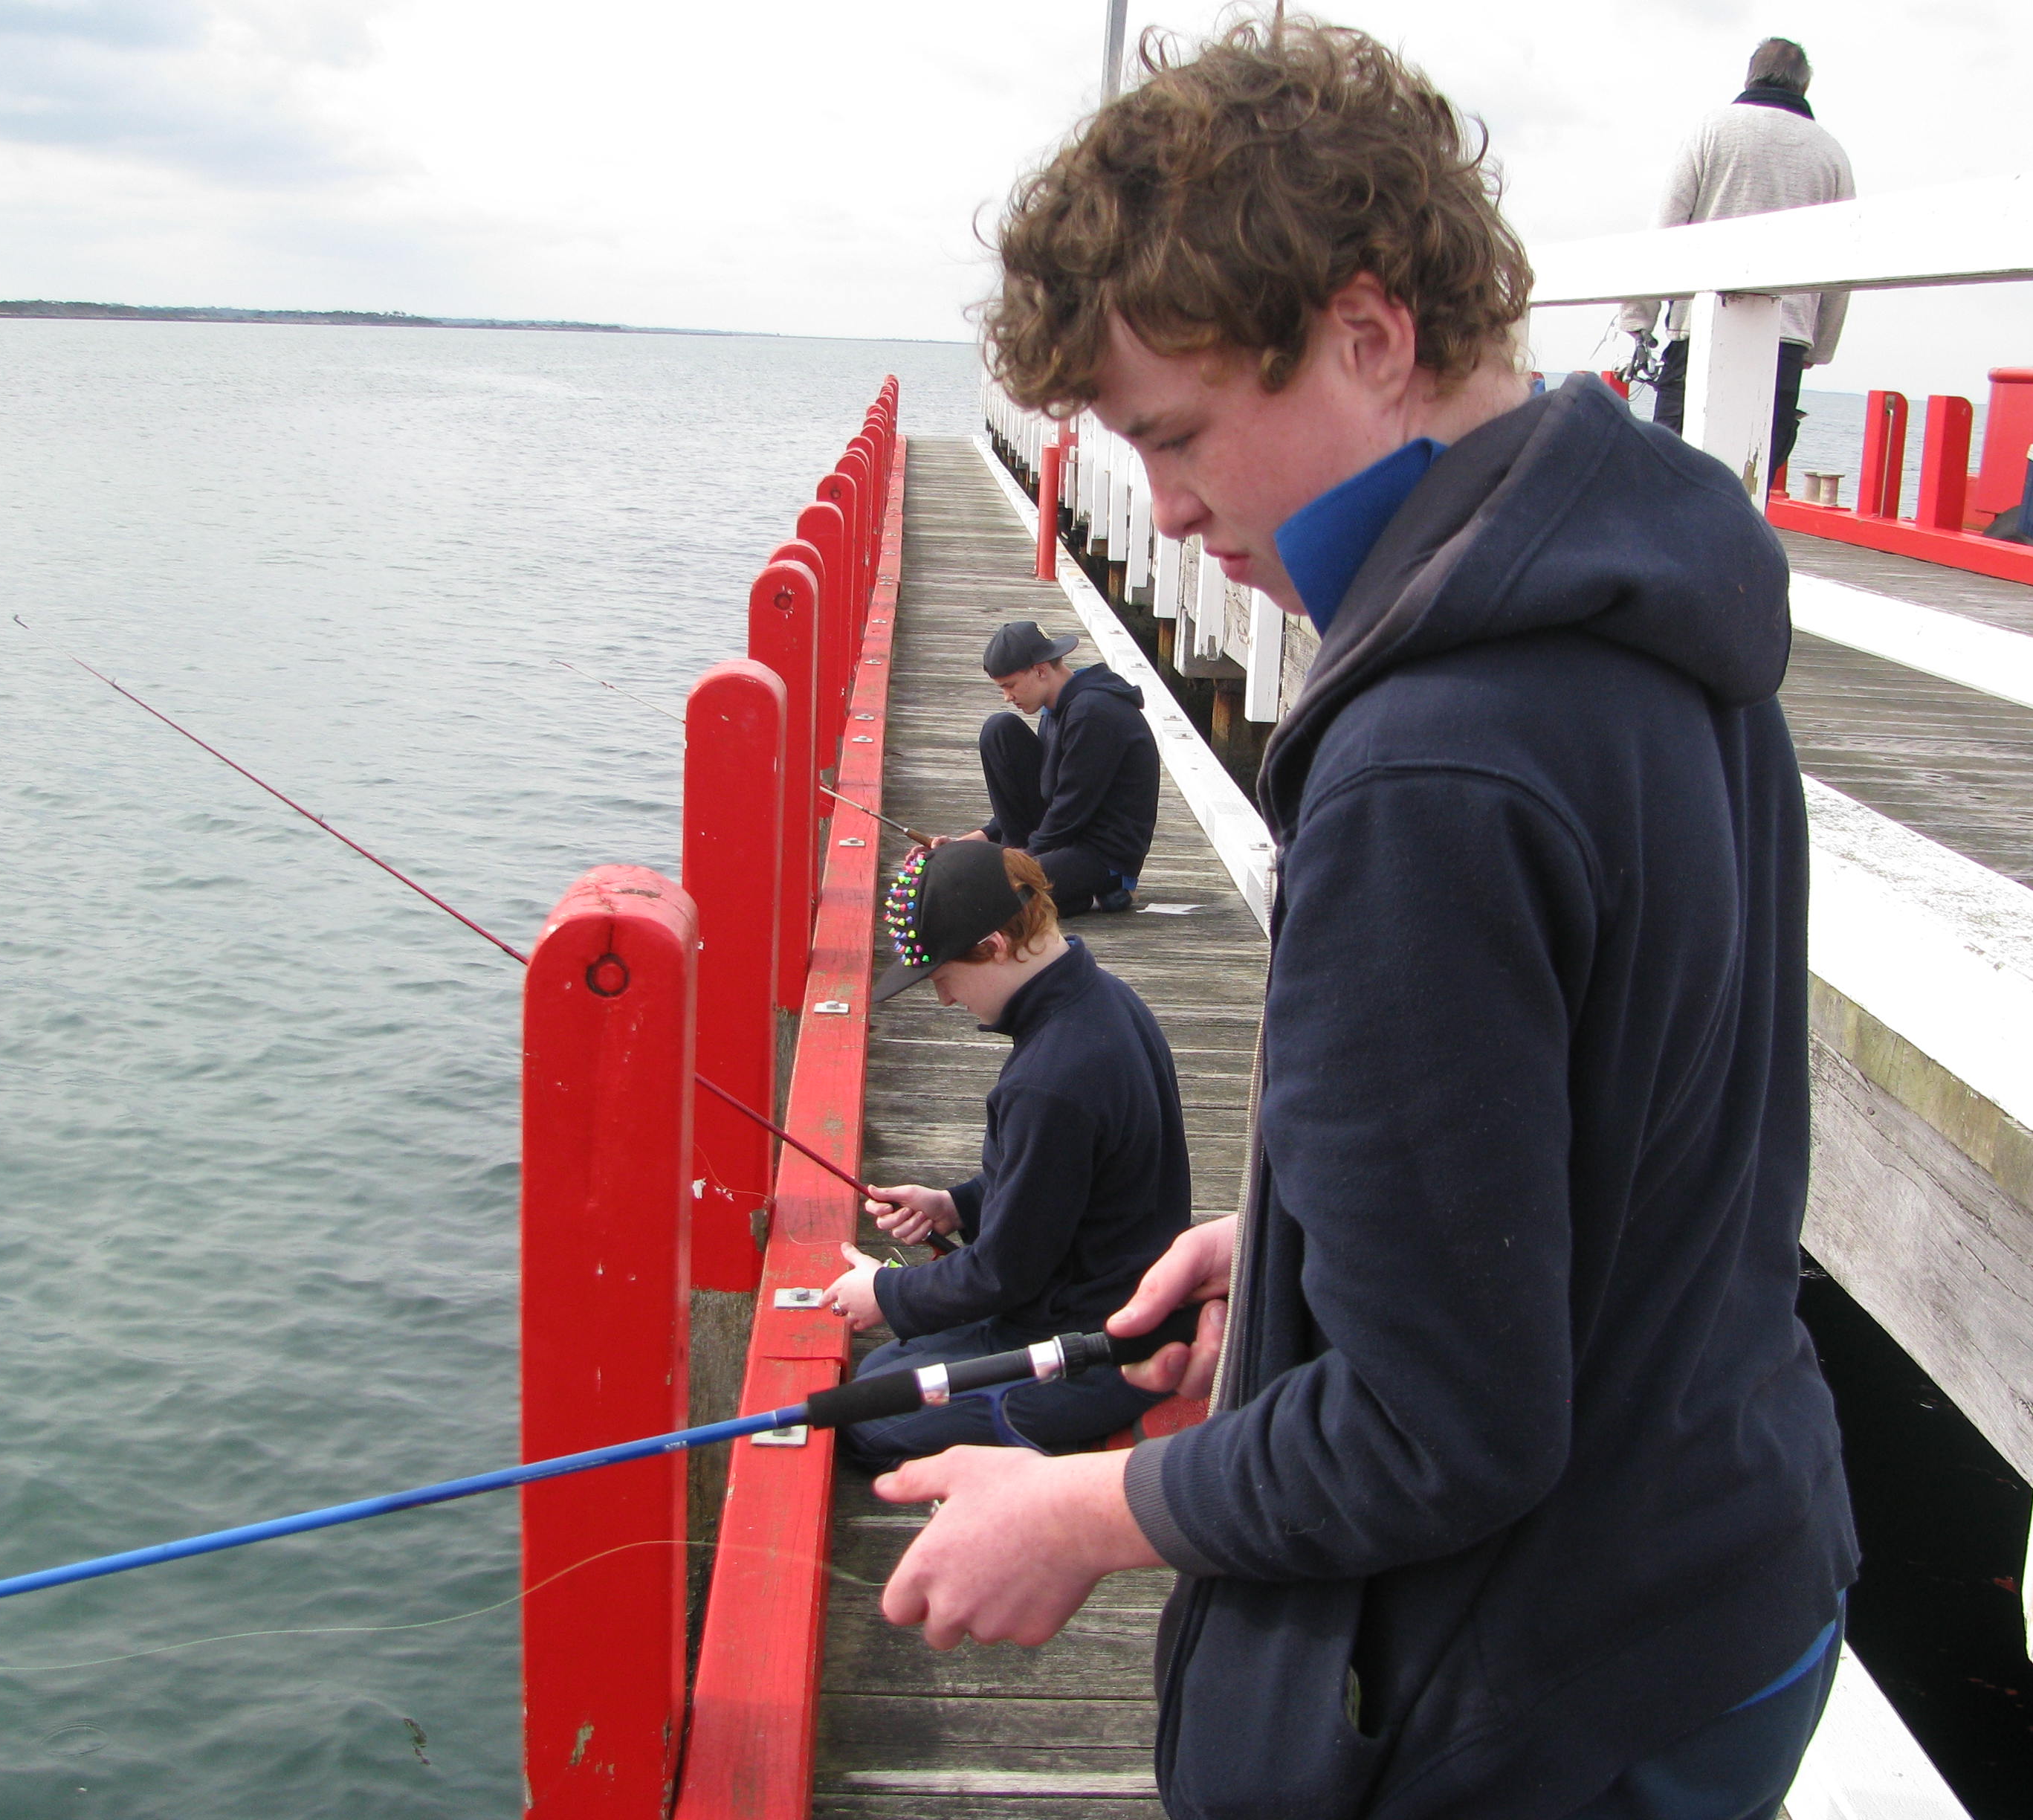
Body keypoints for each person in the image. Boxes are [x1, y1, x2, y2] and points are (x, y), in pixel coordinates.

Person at [869, 20, 1856, 1820]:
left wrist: (1083, 1510)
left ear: (1370, 332)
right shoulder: (1672, 613)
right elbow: (1648, 1107)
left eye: (1173, 436)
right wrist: (1320, 1226)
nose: (1161, 506)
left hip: (1542, 1692)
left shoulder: (1427, 764)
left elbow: (1439, 1429)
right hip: (1735, 1571)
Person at [823, 838, 1187, 1471]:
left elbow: (1003, 1274)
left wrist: (887, 1292)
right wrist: (955, 1205)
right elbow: (1065, 1183)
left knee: (864, 1419)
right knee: (887, 1365)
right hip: (1114, 1302)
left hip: (1091, 1347)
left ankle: (1095, 1424)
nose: (945, 1000)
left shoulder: (1047, 1080)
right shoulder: (1105, 1000)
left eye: (942, 978)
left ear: (992, 947)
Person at [1619, 37, 1855, 487]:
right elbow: (1843, 265)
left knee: (1669, 469)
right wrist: (1818, 348)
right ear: (1805, 86)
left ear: (1750, 77)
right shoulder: (1831, 153)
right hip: (1787, 338)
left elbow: (1667, 227)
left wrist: (1638, 317)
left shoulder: (1713, 129)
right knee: (1754, 475)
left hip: (1700, 327)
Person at [968, 618, 1158, 913]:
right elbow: (1049, 786)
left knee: (993, 895)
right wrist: (978, 838)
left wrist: (1022, 860)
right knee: (999, 729)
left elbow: (1071, 807)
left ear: (1041, 670)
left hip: (1102, 853)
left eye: (1010, 686)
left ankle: (1104, 889)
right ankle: (1050, 879)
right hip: (1066, 838)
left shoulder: (1092, 713)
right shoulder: (1058, 707)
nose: (1008, 697)